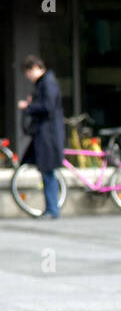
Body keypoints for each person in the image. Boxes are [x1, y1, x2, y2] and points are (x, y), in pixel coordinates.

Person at [17, 54, 65, 218]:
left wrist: (29, 107)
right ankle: (51, 208)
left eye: (28, 72)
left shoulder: (47, 83)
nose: (28, 77)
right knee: (46, 170)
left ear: (35, 68)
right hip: (46, 134)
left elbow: (48, 107)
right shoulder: (45, 83)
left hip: (48, 134)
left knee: (48, 171)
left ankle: (52, 209)